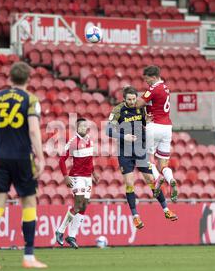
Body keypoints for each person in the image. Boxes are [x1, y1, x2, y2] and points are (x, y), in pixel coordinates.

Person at [0, 61, 46, 269]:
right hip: (22, 157)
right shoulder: (31, 99)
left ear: (10, 78)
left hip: (0, 157)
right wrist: (40, 157)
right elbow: (33, 131)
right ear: (28, 79)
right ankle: (29, 257)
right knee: (29, 204)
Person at [106, 86, 178, 229]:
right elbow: (108, 130)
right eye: (129, 99)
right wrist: (123, 136)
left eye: (134, 99)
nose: (132, 102)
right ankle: (135, 217)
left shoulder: (141, 108)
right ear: (124, 99)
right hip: (124, 151)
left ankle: (166, 209)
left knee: (151, 181)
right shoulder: (117, 110)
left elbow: (144, 124)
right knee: (129, 183)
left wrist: (148, 122)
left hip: (139, 148)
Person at [136, 65, 178, 202]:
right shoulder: (166, 88)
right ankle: (171, 179)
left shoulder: (154, 89)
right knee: (163, 164)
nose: (146, 82)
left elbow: (138, 104)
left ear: (154, 77)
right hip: (167, 128)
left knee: (148, 160)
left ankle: (158, 179)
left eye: (147, 79)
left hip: (154, 126)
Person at [55, 118, 99, 249]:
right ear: (77, 128)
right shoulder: (73, 142)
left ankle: (72, 236)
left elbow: (89, 160)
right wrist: (65, 176)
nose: (85, 128)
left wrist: (94, 173)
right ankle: (60, 230)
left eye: (86, 126)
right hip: (76, 177)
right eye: (82, 126)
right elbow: (61, 161)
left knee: (84, 206)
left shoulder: (90, 140)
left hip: (87, 178)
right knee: (78, 203)